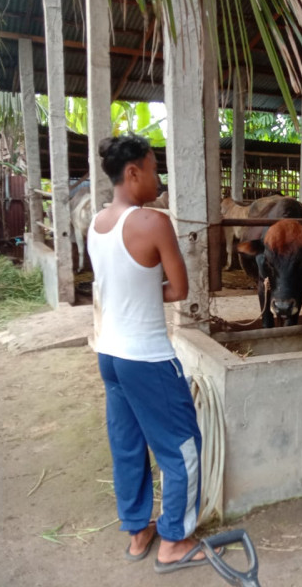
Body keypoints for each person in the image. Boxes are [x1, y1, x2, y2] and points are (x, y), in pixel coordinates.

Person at [87, 135, 219, 573]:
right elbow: (180, 290)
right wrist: (150, 289)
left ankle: (138, 530)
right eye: (154, 167)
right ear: (132, 173)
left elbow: (115, 285)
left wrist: (141, 289)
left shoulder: (96, 223)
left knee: (127, 445)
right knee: (183, 447)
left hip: (109, 354)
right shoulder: (154, 222)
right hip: (147, 357)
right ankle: (175, 542)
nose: (159, 178)